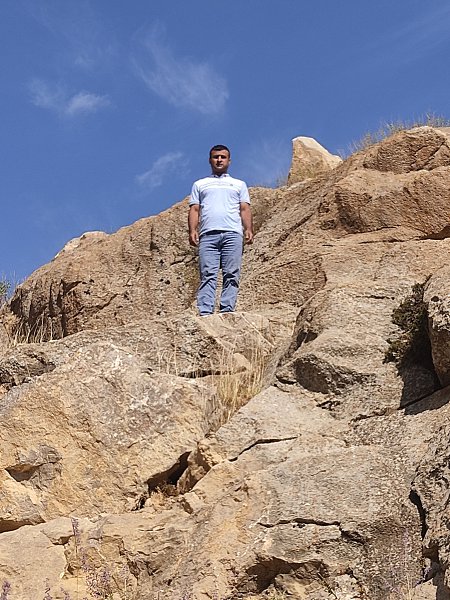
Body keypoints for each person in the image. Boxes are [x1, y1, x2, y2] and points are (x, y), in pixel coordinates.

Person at [188, 144, 253, 316]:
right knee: (207, 273)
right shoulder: (200, 184)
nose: (219, 160)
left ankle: (227, 310)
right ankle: (205, 311)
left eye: (223, 157)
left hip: (233, 233)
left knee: (231, 273)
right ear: (210, 160)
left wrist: (248, 229)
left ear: (229, 161)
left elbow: (244, 208)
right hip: (208, 234)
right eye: (216, 157)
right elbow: (195, 209)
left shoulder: (238, 184)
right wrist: (192, 230)